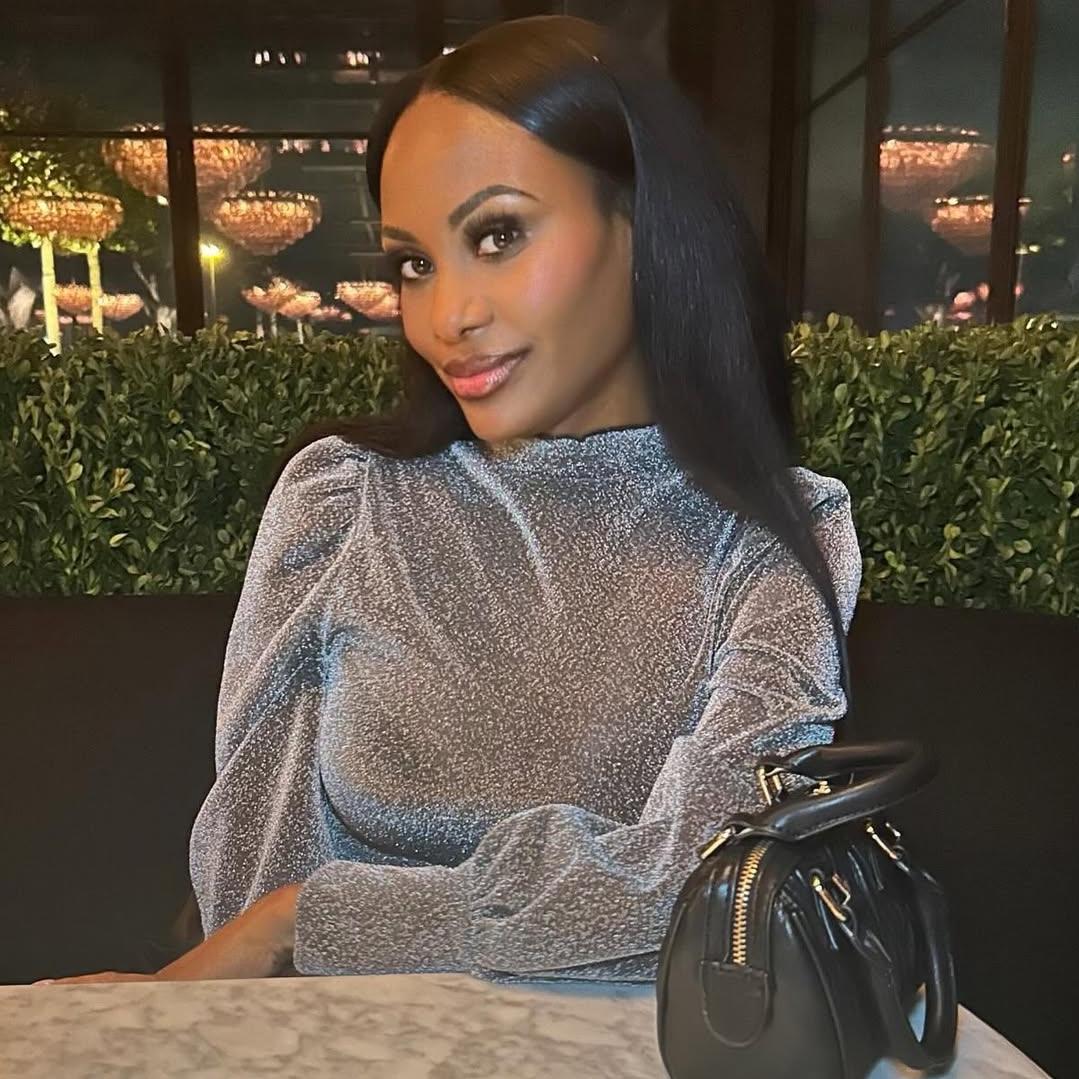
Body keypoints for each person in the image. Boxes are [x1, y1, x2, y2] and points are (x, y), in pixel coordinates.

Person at [37, 14, 861, 986]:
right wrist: (266, 942)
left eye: (497, 234)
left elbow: (707, 881)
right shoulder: (344, 502)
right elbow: (250, 887)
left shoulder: (774, 536)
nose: (445, 316)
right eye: (413, 263)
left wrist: (310, 918)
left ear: (643, 225)